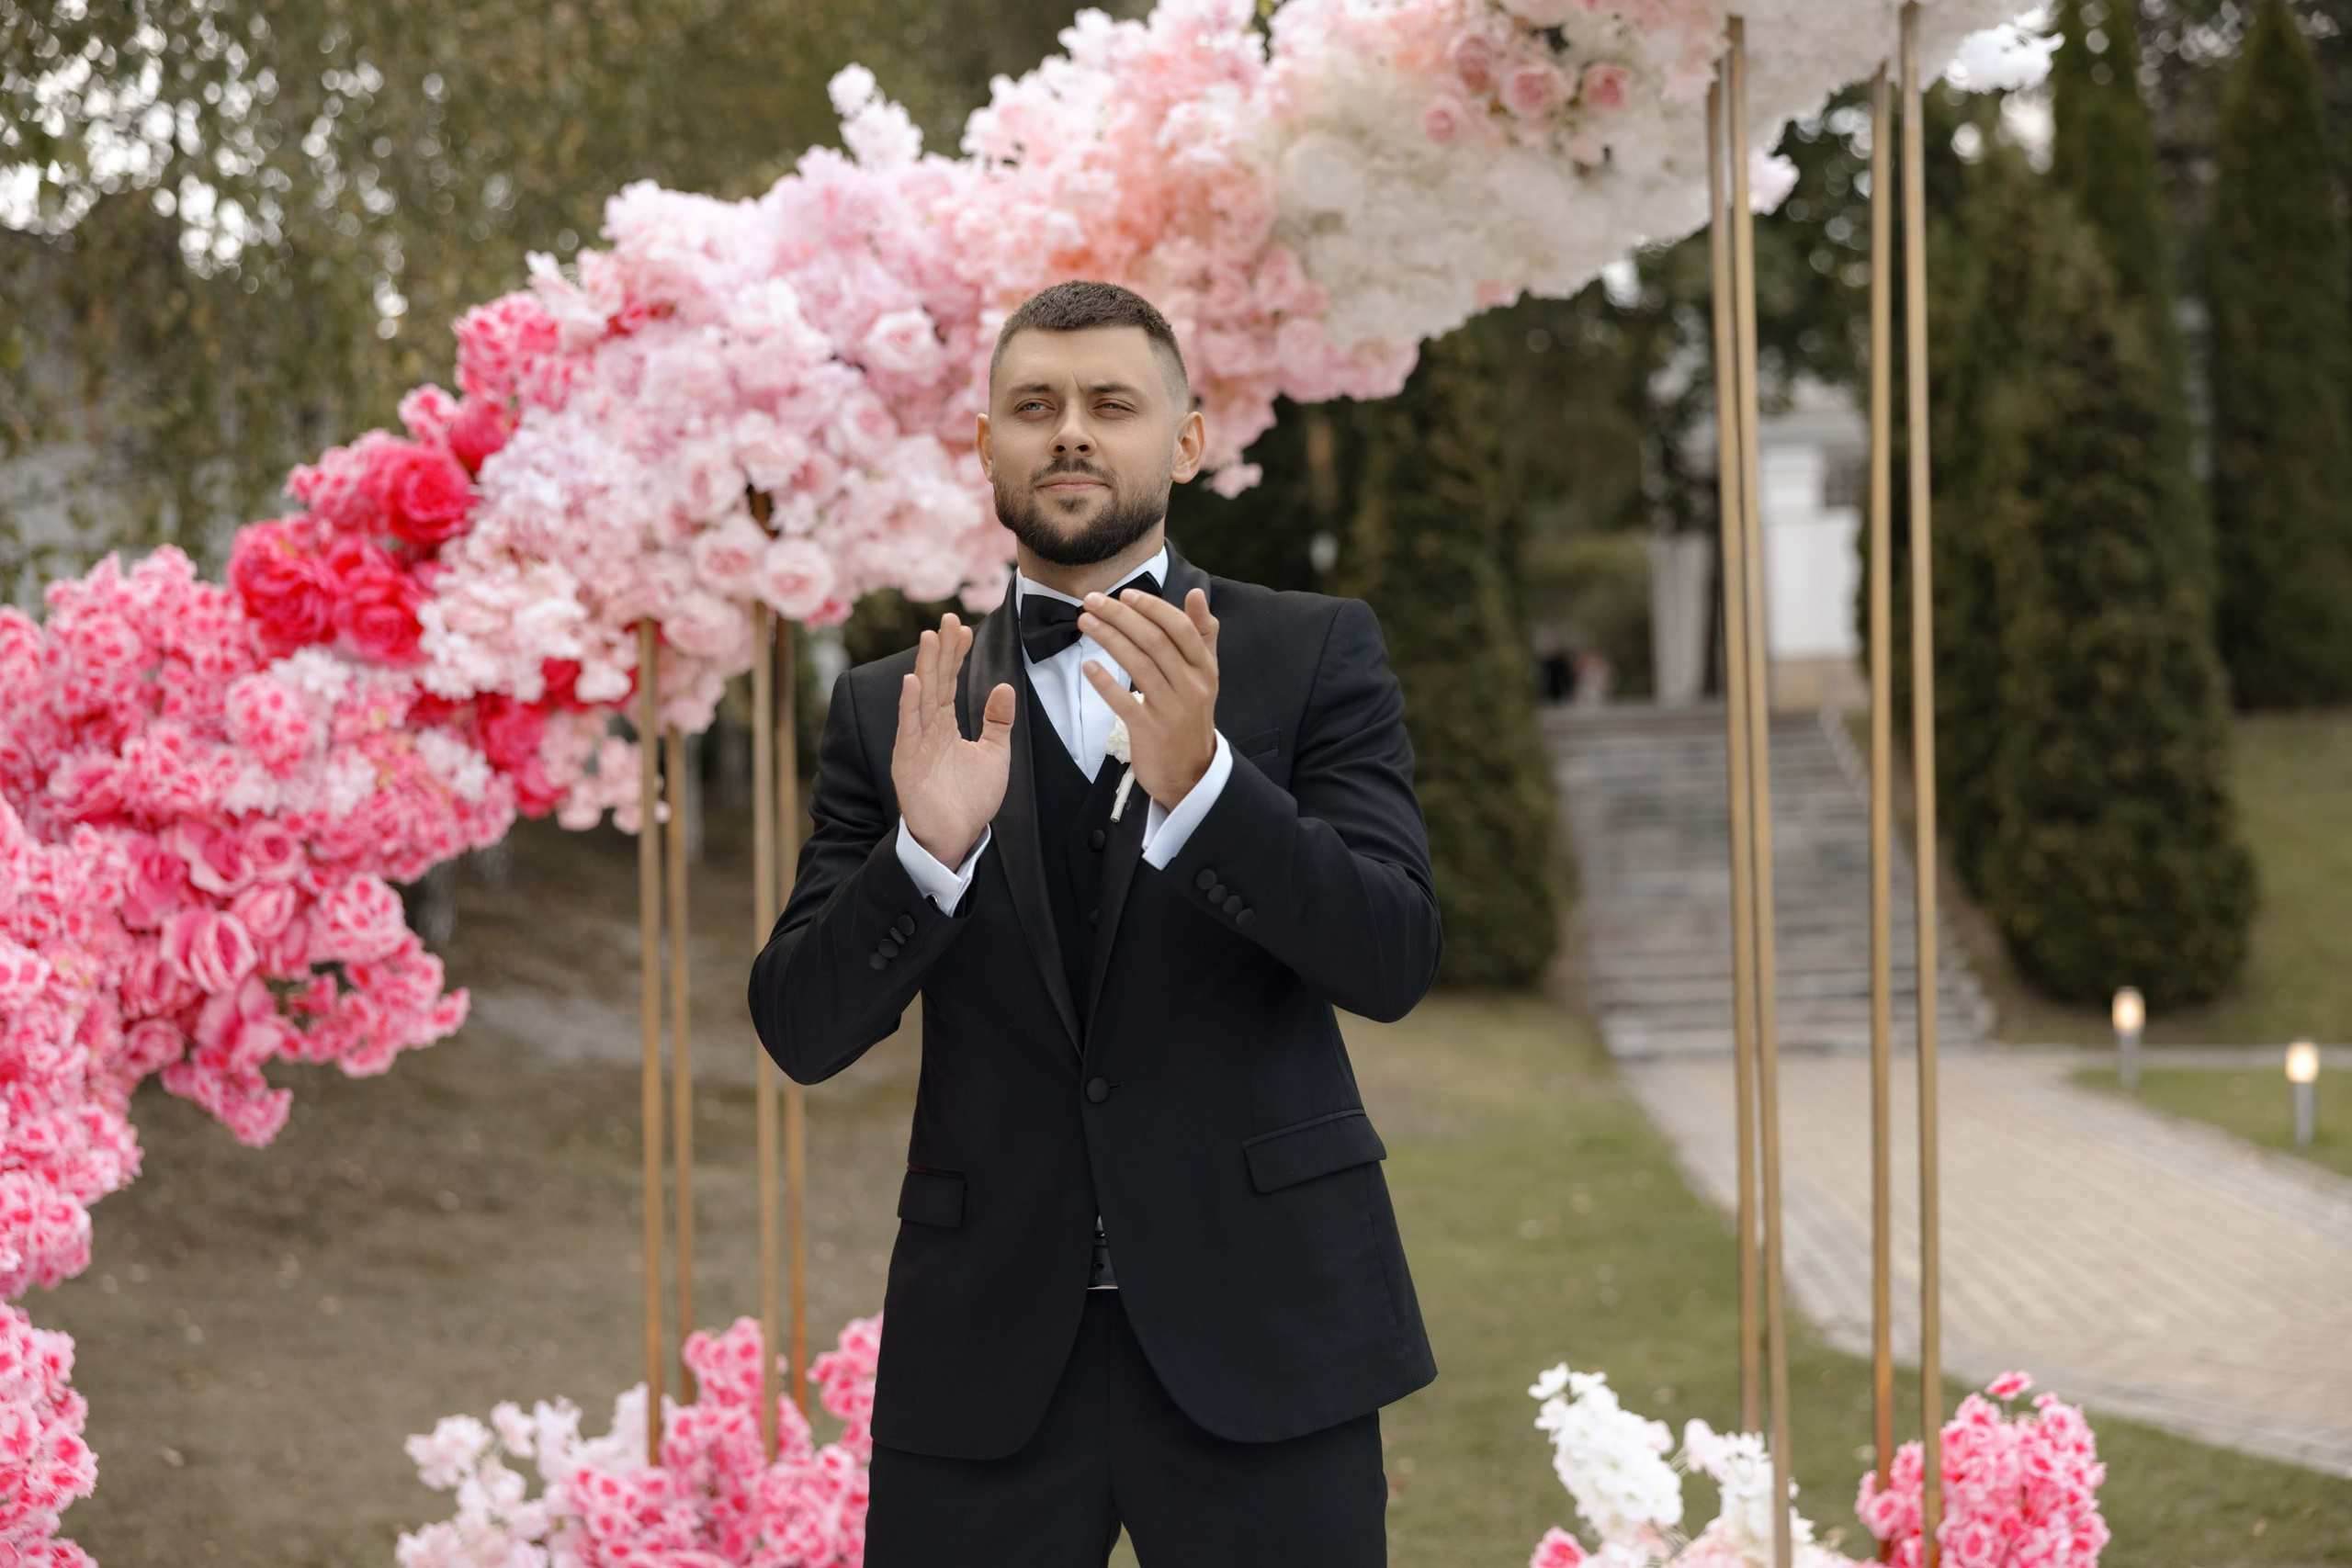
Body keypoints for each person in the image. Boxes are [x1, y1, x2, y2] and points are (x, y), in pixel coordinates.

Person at [748, 279, 1441, 1567]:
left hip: (1267, 1331)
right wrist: (923, 856)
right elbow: (801, 1027)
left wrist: (1212, 792)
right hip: (985, 1355)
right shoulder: (894, 707)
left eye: (1111, 403)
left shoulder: (1316, 654)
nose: (1069, 430)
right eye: (1035, 406)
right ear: (986, 445)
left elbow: (1392, 955)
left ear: (1185, 441)